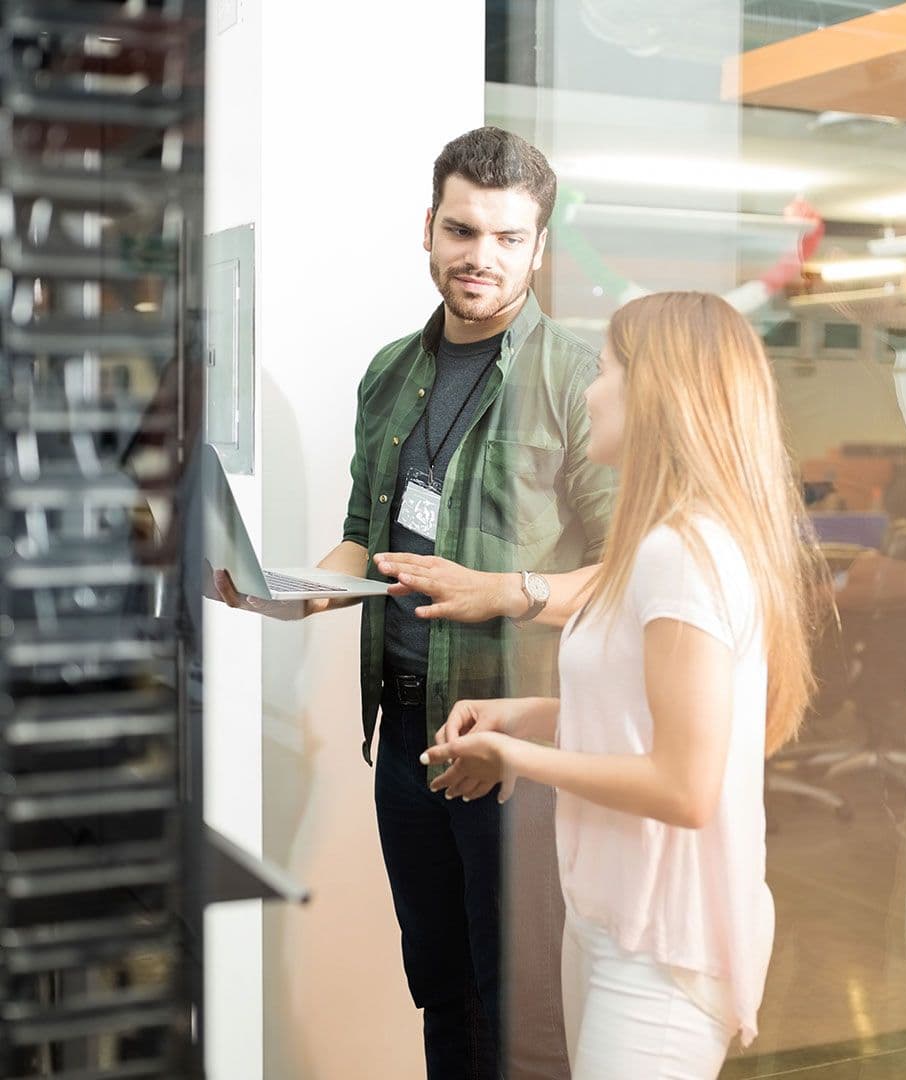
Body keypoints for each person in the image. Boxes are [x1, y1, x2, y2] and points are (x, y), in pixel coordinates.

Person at [212, 127, 616, 1079]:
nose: (481, 256)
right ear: (428, 229)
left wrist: (509, 592)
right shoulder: (390, 372)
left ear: (539, 248)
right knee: (438, 982)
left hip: (515, 737)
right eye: (463, 229)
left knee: (520, 1003)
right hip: (405, 731)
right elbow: (366, 534)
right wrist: (291, 595)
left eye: (508, 238)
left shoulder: (578, 381)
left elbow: (626, 569)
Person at [420, 291, 819, 1078]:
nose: (590, 391)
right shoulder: (656, 546)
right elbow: (646, 716)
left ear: (656, 394)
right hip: (608, 913)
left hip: (662, 944)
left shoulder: (684, 555)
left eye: (604, 371)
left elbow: (683, 786)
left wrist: (516, 757)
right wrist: (529, 717)